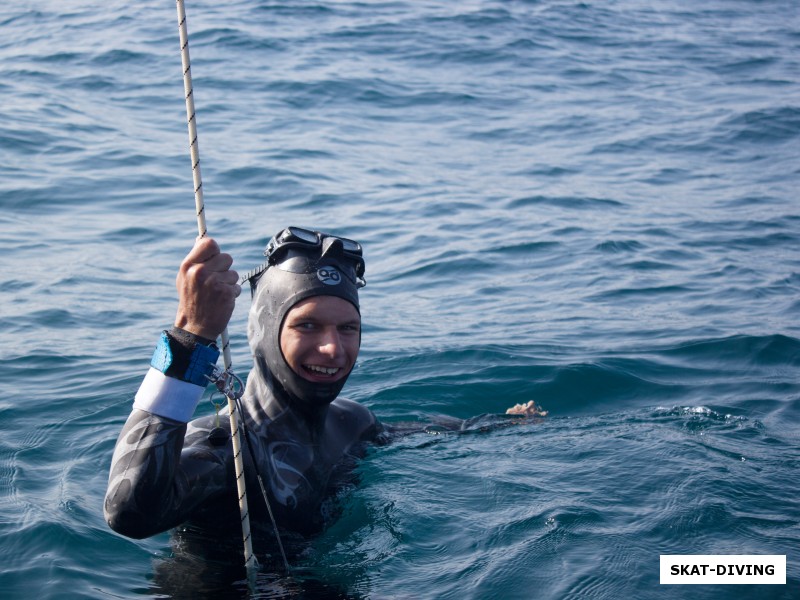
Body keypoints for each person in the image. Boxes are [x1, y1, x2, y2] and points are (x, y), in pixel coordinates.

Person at [104, 227, 544, 550]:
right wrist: (190, 340)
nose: (333, 347)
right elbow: (129, 512)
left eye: (348, 328)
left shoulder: (352, 423)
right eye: (307, 325)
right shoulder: (226, 447)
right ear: (263, 332)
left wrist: (498, 426)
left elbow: (410, 434)